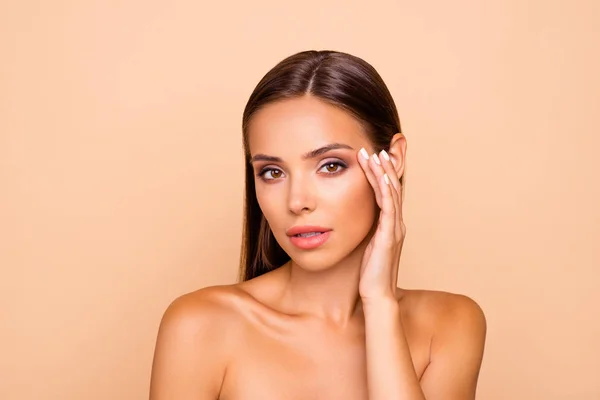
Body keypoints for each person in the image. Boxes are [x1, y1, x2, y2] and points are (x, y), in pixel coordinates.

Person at [149, 50, 487, 400]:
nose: (297, 202)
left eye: (330, 166)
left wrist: (379, 303)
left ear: (393, 160)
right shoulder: (200, 326)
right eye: (272, 172)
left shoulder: (450, 325)